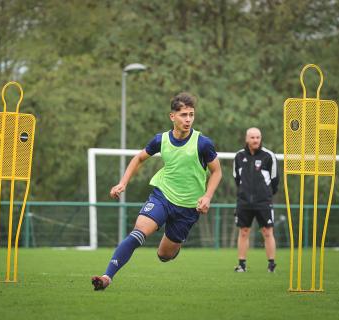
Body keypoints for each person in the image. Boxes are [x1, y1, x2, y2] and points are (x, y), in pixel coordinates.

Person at [91, 92, 222, 290]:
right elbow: (139, 158)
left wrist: (207, 196)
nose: (188, 119)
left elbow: (217, 172)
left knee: (164, 256)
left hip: (188, 207)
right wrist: (122, 183)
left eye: (191, 115)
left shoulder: (203, 143)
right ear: (172, 116)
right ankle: (106, 277)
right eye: (183, 115)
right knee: (138, 233)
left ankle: (175, 245)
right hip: (162, 196)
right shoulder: (160, 140)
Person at [233, 127, 279, 272]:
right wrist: (244, 192)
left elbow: (275, 180)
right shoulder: (239, 156)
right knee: (244, 232)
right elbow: (237, 178)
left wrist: (266, 195)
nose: (255, 140)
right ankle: (241, 264)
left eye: (258, 137)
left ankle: (271, 265)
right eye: (252, 137)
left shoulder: (268, 156)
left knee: (267, 232)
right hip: (244, 202)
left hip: (263, 202)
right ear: (247, 139)